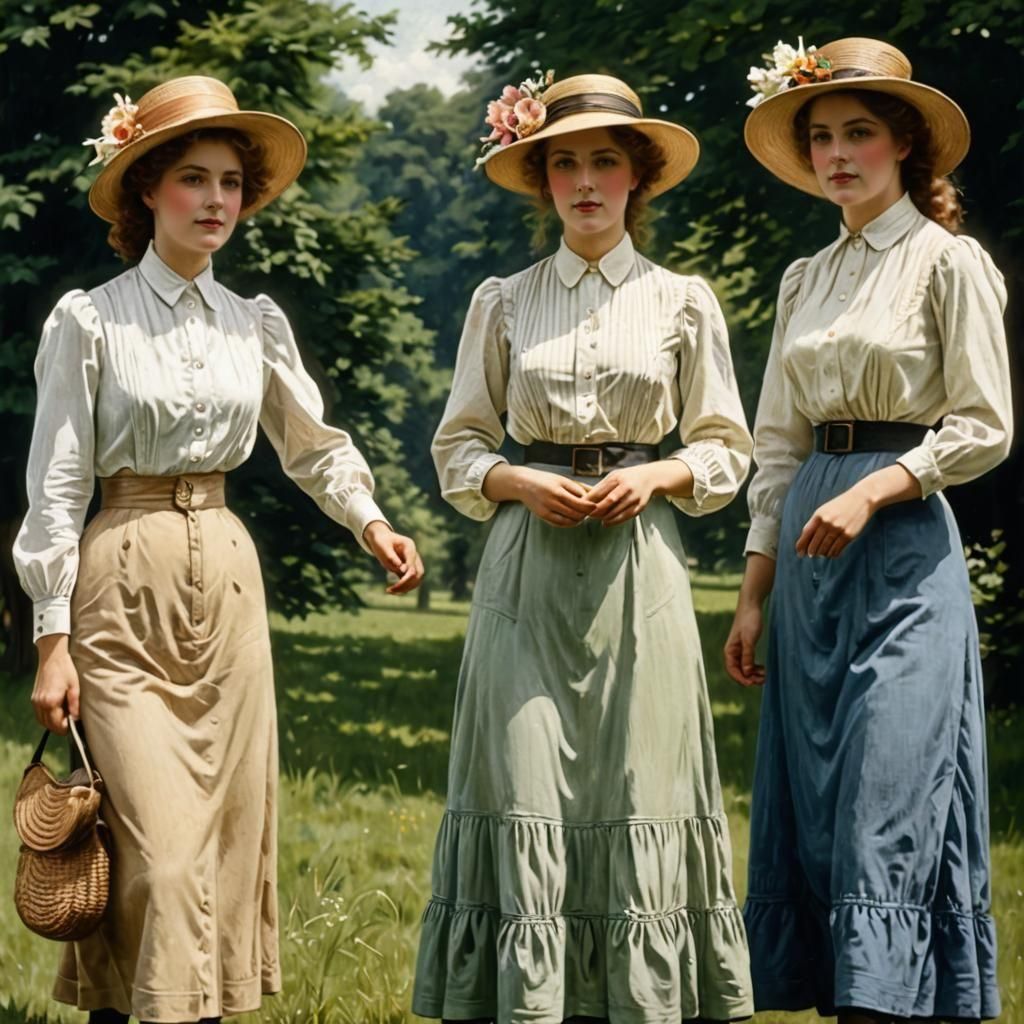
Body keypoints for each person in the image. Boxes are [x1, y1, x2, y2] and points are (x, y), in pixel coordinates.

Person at [13, 76, 424, 1024]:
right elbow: (59, 482)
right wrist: (50, 636)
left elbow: (313, 446)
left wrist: (370, 521)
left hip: (230, 592)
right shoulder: (90, 319)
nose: (215, 201)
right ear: (146, 191)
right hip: (122, 582)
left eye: (232, 183)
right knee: (153, 854)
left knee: (224, 847)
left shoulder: (255, 322)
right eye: (193, 179)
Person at [413, 71, 755, 1022]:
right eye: (565, 163)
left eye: (606, 160)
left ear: (637, 176)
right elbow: (458, 447)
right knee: (523, 782)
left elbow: (727, 446)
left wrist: (656, 476)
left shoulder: (683, 301)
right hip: (526, 569)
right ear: (543, 181)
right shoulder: (505, 301)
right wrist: (517, 480)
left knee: (641, 778)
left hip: (639, 564)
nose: (586, 181)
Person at [726, 36, 1010, 1023]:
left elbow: (983, 426)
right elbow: (772, 443)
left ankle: (894, 1004)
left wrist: (879, 486)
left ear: (904, 148)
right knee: (815, 811)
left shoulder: (948, 263)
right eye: (820, 137)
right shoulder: (803, 277)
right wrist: (752, 593)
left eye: (858, 133)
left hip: (899, 553)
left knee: (883, 804)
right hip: (806, 553)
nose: (837, 154)